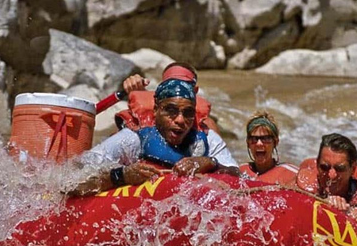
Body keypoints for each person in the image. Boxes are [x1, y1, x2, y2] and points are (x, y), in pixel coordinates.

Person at [72, 77, 239, 196]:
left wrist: (210, 162)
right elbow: (72, 181)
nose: (180, 120)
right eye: (171, 111)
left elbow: (239, 176)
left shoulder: (207, 140)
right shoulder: (132, 140)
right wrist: (122, 175)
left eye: (188, 113)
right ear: (157, 110)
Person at [115, 62, 219, 133]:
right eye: (171, 85)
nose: (177, 91)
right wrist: (138, 91)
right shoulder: (137, 117)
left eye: (184, 85)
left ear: (195, 91)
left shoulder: (207, 126)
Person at [239, 111, 298, 186]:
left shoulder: (290, 174)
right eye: (254, 139)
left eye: (266, 138)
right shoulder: (239, 172)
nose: (259, 144)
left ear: (275, 142)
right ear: (248, 143)